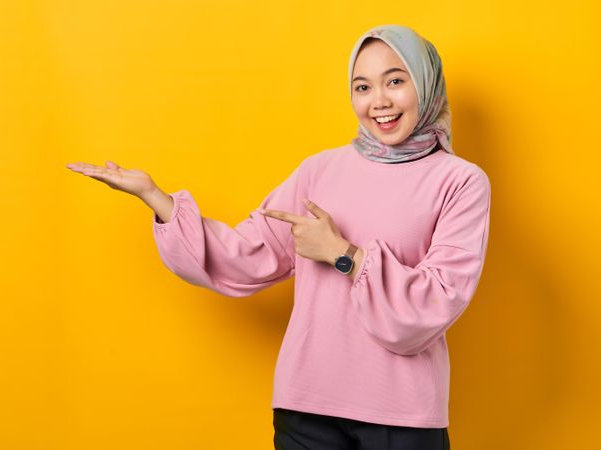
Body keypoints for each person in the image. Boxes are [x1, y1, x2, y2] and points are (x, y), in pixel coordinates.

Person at [66, 23, 489, 450]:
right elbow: (249, 254)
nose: (378, 102)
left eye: (395, 81)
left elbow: (440, 298)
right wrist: (156, 198)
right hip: (307, 407)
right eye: (362, 87)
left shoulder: (459, 181)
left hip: (401, 415)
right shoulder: (319, 171)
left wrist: (344, 255)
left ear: (426, 82)